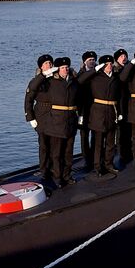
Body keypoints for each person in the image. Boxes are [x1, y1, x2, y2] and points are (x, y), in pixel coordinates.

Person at [35, 57, 80, 187]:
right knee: (56, 152)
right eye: (62, 68)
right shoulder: (51, 82)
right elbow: (33, 87)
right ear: (57, 69)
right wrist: (44, 75)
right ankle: (57, 176)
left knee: (68, 152)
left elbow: (80, 99)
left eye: (66, 67)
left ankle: (67, 175)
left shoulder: (73, 82)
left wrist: (80, 115)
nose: (65, 69)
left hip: (71, 120)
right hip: (57, 121)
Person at [78, 54, 121, 175]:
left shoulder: (116, 77)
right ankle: (97, 166)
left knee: (110, 142)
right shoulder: (95, 77)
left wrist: (120, 112)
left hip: (112, 111)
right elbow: (80, 80)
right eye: (106, 64)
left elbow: (120, 96)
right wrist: (94, 70)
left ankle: (109, 164)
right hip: (98, 112)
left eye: (111, 64)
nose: (110, 66)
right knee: (98, 142)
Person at [25, 53, 54, 176]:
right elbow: (28, 99)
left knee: (55, 144)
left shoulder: (56, 78)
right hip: (41, 114)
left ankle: (54, 167)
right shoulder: (36, 81)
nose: (49, 65)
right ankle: (44, 169)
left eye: (50, 63)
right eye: (46, 63)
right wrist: (30, 117)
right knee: (44, 144)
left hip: (55, 113)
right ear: (41, 67)